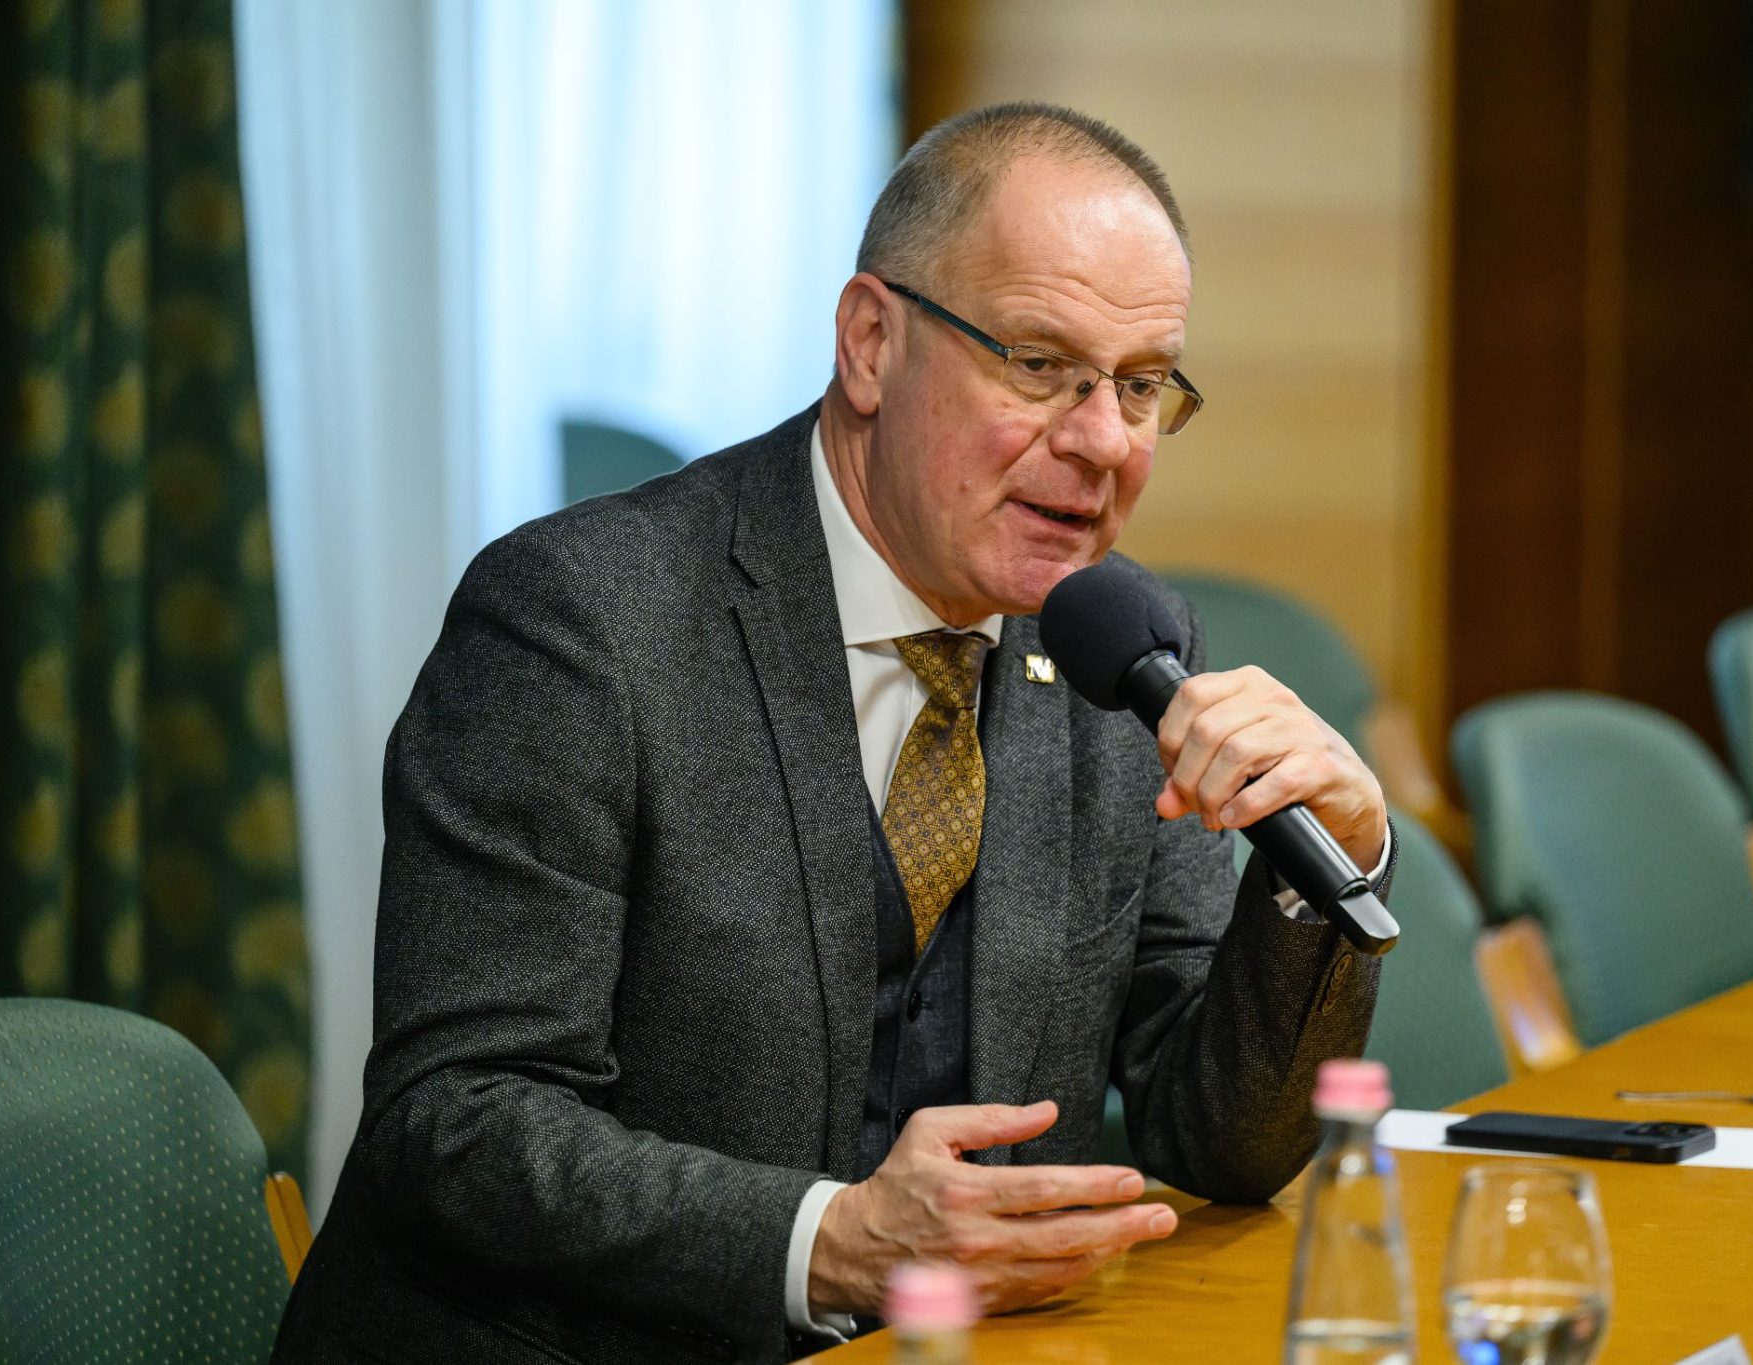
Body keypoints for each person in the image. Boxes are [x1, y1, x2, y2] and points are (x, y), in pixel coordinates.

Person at [269, 102, 1395, 1365]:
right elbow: (456, 1119)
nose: (1100, 442)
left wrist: (1322, 865)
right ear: (870, 344)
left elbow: (1220, 1139)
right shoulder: (581, 621)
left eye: (1139, 387)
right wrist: (828, 1240)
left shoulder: (1116, 650)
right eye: (1038, 364)